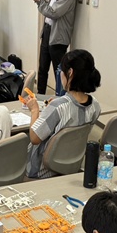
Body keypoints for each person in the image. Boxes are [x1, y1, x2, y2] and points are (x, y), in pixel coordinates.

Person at [23, 49, 101, 179]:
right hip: (70, 165)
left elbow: (34, 138)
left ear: (70, 72)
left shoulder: (58, 106)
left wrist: (34, 110)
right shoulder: (95, 105)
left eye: (61, 71)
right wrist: (52, 108)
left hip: (42, 171)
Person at [32, 0, 76, 95]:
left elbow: (53, 13)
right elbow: (48, 9)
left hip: (58, 37)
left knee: (60, 71)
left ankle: (61, 97)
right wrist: (39, 0)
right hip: (47, 31)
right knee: (42, 67)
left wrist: (40, 0)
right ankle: (40, 95)